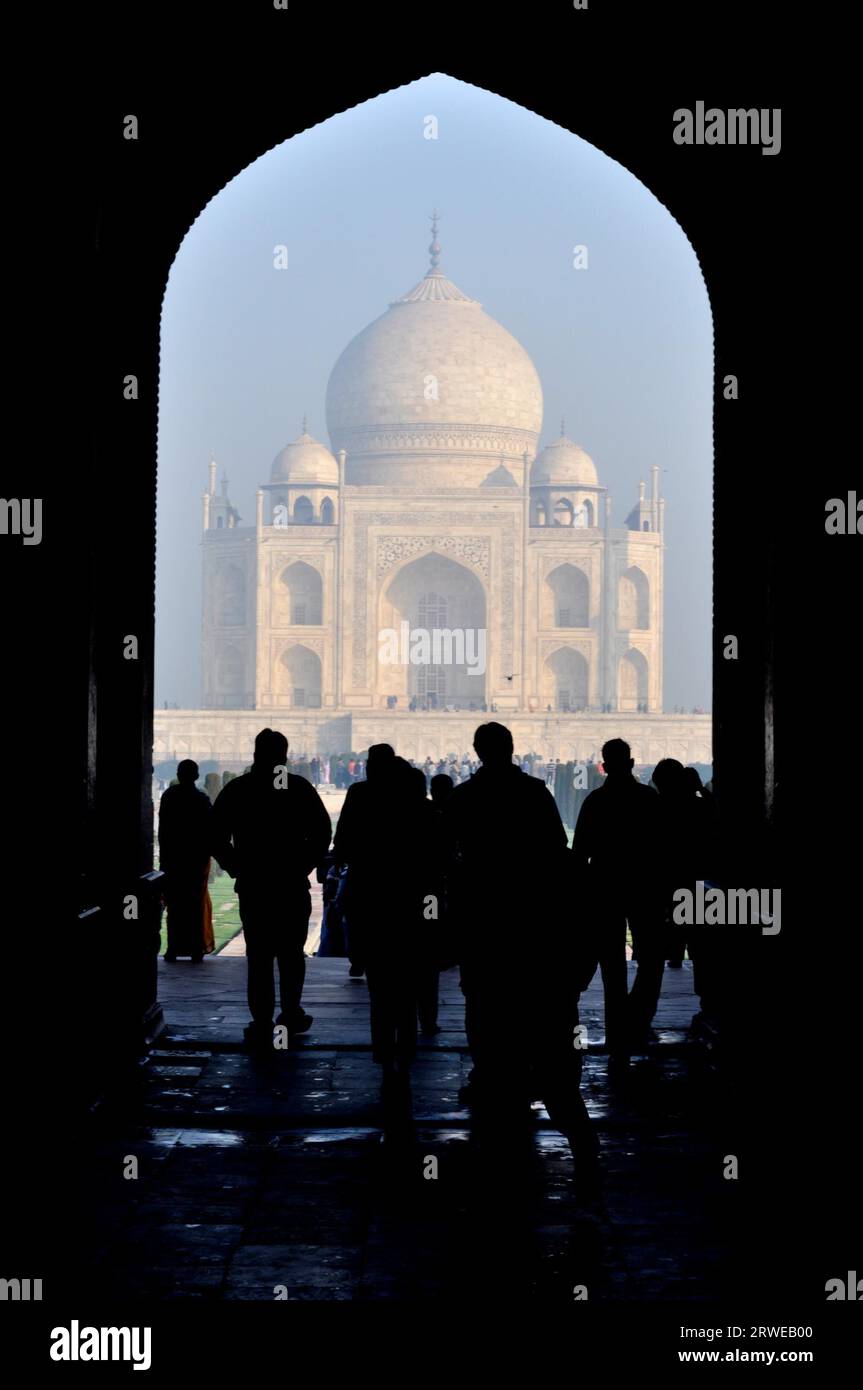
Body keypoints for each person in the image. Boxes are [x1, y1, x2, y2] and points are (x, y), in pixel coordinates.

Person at [445, 722, 597, 1169]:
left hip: (483, 919)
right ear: (511, 750)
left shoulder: (463, 798)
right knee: (530, 1005)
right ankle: (539, 1090)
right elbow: (556, 850)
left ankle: (492, 1078)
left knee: (483, 1002)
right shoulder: (533, 793)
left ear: (476, 751)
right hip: (530, 920)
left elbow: (446, 859)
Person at [211, 729, 332, 1050]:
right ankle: (290, 1013)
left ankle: (262, 1020)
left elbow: (214, 834)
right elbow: (322, 833)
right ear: (284, 755)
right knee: (291, 954)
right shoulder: (298, 788)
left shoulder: (240, 789)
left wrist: (237, 866)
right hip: (289, 885)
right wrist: (303, 865)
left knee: (260, 956)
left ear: (255, 754)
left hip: (255, 885)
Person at [571, 737, 663, 1055]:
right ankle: (637, 1019)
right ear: (632, 763)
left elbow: (579, 853)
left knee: (612, 967)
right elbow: (662, 849)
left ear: (604, 767)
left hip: (605, 887)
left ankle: (618, 1030)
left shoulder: (595, 801)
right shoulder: (649, 799)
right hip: (643, 887)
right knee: (651, 959)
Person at [158, 759, 215, 962]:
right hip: (195, 860)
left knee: (175, 905)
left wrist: (163, 859)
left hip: (174, 859)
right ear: (196, 776)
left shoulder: (169, 796)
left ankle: (174, 947)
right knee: (194, 905)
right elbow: (211, 831)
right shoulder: (200, 799)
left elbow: (163, 831)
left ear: (179, 774)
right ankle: (196, 947)